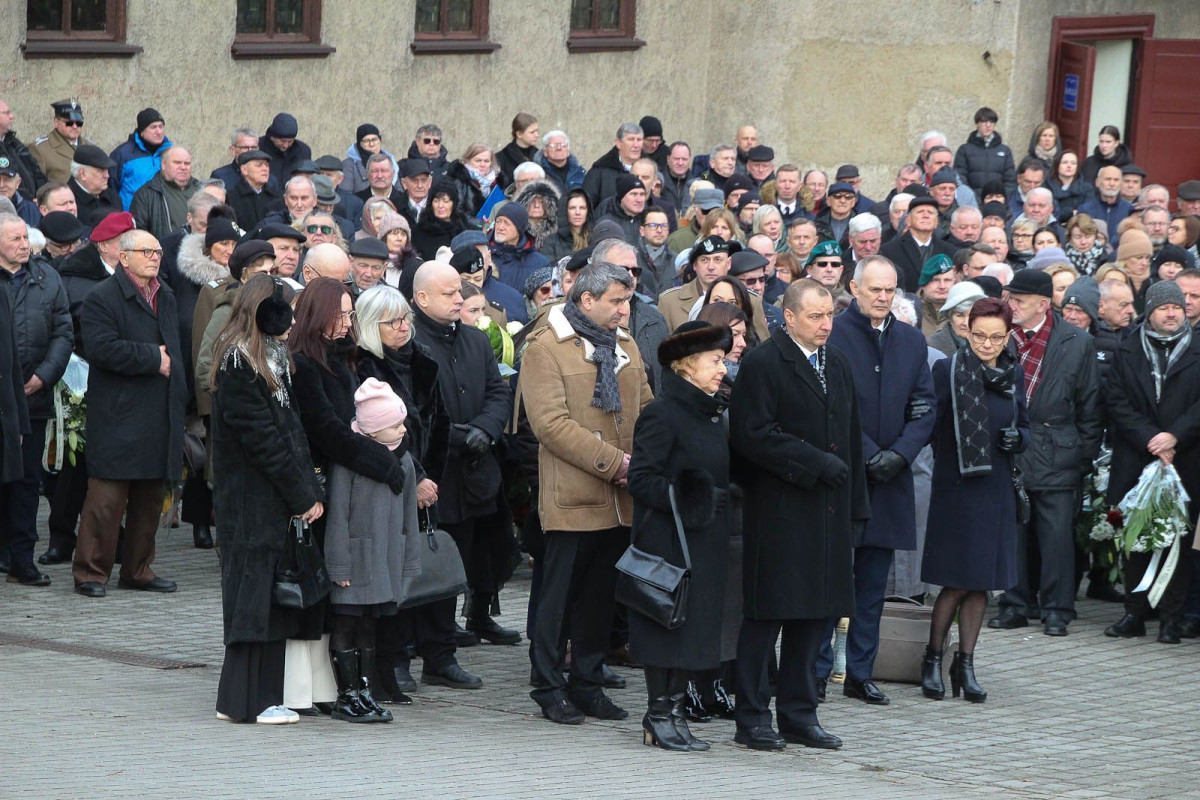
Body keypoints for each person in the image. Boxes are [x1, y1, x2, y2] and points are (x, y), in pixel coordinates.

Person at [729, 279, 869, 752]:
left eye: (830, 315)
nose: (826, 324)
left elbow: (850, 437)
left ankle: (798, 713)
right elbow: (752, 435)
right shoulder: (764, 363)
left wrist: (856, 509)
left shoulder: (838, 362)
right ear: (788, 317)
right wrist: (813, 463)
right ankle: (751, 717)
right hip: (781, 511)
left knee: (815, 618)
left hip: (828, 513)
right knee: (767, 617)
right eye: (815, 316)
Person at [520, 262, 653, 725]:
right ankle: (548, 686)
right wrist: (613, 463)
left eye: (627, 301)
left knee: (600, 599)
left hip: (622, 498)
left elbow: (646, 410)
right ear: (585, 300)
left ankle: (588, 684)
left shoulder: (626, 345)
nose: (624, 310)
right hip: (574, 496)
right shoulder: (545, 347)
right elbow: (550, 425)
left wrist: (648, 459)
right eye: (616, 301)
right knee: (558, 599)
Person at [815, 256, 936, 706]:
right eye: (875, 289)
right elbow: (829, 406)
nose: (883, 297)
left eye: (890, 290)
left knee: (872, 585)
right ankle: (816, 669)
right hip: (846, 476)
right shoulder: (834, 335)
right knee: (831, 579)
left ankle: (860, 672)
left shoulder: (910, 340)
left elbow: (925, 406)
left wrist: (901, 454)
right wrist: (868, 454)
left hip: (891, 479)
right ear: (855, 288)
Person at [209, 275, 322, 725]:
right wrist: (302, 494)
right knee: (254, 598)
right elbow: (265, 441)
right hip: (253, 502)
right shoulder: (242, 363)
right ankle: (248, 702)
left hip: (268, 500)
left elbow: (287, 437)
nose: (293, 321)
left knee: (267, 598)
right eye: (286, 311)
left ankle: (245, 698)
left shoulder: (270, 358)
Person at [626, 321, 733, 751]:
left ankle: (673, 712)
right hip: (667, 542)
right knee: (667, 627)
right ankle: (657, 714)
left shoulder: (709, 412)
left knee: (693, 629)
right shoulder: (662, 413)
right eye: (715, 360)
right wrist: (693, 496)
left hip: (703, 540)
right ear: (687, 367)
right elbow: (641, 478)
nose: (722, 368)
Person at [921, 297, 1030, 702]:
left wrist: (1019, 438)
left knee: (981, 584)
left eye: (996, 338)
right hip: (957, 488)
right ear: (967, 329)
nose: (987, 344)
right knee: (954, 582)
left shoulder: (1012, 374)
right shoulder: (947, 370)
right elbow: (930, 426)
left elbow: (1026, 425)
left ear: (1007, 337)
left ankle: (964, 664)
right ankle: (932, 658)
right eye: (980, 335)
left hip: (996, 487)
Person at [411, 261, 518, 659]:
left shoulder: (473, 340)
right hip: (435, 472)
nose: (460, 299)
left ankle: (446, 649)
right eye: (449, 293)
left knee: (471, 556)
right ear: (422, 299)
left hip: (476, 471)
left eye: (460, 292)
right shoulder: (412, 342)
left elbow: (497, 391)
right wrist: (457, 436)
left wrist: (487, 430)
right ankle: (429, 649)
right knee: (432, 566)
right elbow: (414, 409)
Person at [72, 229, 186, 598]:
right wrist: (154, 358)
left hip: (158, 413)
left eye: (157, 251)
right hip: (118, 415)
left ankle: (137, 570)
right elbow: (101, 349)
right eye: (146, 251)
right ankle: (90, 572)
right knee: (105, 501)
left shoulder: (165, 295)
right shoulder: (101, 298)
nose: (155, 257)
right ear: (124, 257)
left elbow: (177, 352)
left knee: (150, 500)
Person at [989, 269, 1100, 636]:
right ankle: (1015, 603)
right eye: (1009, 298)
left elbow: (1089, 405)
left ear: (1042, 303)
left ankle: (1056, 608)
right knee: (1014, 532)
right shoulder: (1001, 337)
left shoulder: (1076, 341)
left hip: (1057, 448)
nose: (1011, 305)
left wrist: (1084, 457)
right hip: (1012, 446)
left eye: (1018, 300)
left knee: (1055, 537)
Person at [353, 285, 451, 702]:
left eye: (406, 319)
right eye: (393, 321)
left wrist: (432, 479)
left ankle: (435, 655)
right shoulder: (364, 368)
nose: (403, 327)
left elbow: (440, 422)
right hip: (390, 482)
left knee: (423, 570)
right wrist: (417, 479)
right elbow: (385, 434)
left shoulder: (422, 360)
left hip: (428, 482)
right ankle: (391, 661)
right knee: (390, 575)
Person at [1103, 281, 1200, 643]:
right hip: (1137, 454)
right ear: (1151, 312)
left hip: (1187, 457)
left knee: (1179, 538)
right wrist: (1151, 438)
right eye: (1164, 308)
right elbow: (1115, 400)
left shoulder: (1197, 347)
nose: (1172, 313)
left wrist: (1175, 436)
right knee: (1135, 537)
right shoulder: (1128, 349)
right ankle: (1134, 613)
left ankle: (1171, 619)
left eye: (1177, 307)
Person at [324, 377, 421, 724]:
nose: (401, 429)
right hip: (355, 560)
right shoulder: (349, 462)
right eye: (394, 424)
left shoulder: (405, 462)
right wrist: (339, 566)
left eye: (401, 422)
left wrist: (408, 561)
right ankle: (346, 694)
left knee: (369, 625)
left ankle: (365, 691)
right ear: (373, 430)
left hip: (384, 560)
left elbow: (410, 516)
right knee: (347, 623)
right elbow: (338, 516)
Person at [0, 215, 71, 587]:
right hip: (1, 399)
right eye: (13, 238)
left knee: (27, 481)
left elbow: (63, 330)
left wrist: (44, 375)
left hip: (33, 396)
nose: (23, 244)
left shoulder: (47, 278)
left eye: (25, 237)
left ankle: (22, 560)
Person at [880, 196, 956, 292]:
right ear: (908, 220)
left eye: (930, 212)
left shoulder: (950, 251)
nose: (926, 215)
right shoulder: (889, 251)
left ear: (936, 221)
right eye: (920, 212)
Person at [129, 146, 200, 241]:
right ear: (163, 164)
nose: (183, 167)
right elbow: (138, 234)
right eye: (177, 162)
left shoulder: (201, 189)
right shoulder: (146, 194)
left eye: (187, 163)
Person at [954, 107, 1017, 199]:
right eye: (984, 122)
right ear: (977, 124)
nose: (988, 125)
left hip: (997, 203)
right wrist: (970, 198)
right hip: (972, 203)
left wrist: (1001, 198)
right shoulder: (964, 150)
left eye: (991, 122)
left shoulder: (1005, 151)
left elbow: (1010, 180)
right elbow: (960, 177)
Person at [488, 202, 549, 293]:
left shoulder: (539, 263)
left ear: (519, 229)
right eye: (498, 221)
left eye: (507, 223)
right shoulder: (483, 254)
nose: (500, 227)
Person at [31, 99, 94, 186]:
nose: (75, 126)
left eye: (79, 123)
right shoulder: (40, 149)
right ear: (56, 122)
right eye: (69, 123)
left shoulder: (90, 147)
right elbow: (36, 184)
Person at [582, 122, 643, 207]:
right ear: (618, 143)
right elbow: (586, 205)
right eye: (631, 139)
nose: (636, 145)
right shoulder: (599, 172)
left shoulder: (649, 169)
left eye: (639, 140)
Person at [411, 179, 469, 261]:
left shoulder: (463, 228)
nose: (440, 205)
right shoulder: (418, 231)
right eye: (436, 201)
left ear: (454, 203)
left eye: (445, 201)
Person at [535, 130, 586, 196]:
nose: (559, 148)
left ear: (568, 151)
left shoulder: (580, 173)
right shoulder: (538, 174)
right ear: (545, 152)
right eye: (553, 145)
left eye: (563, 145)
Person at [495, 112, 539, 188]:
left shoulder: (540, 155)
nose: (536, 135)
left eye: (537, 131)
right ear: (519, 134)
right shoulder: (501, 158)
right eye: (532, 132)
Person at [1047, 150, 1092, 223]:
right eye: (1065, 162)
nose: (1069, 166)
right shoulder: (1047, 187)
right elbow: (1050, 213)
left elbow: (1087, 212)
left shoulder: (1086, 188)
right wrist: (1071, 212)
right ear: (1057, 165)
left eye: (1073, 163)